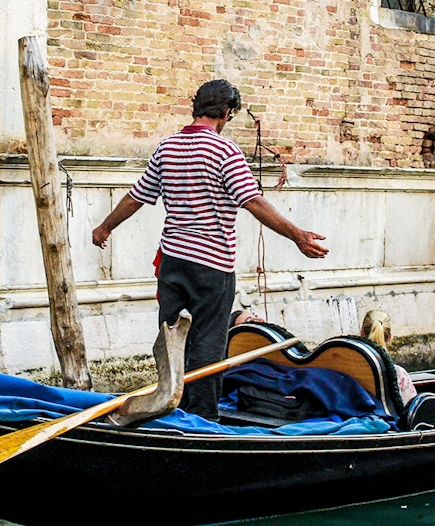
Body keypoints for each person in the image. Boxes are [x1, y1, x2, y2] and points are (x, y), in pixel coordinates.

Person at [92, 79, 328, 421]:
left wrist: (105, 227)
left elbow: (136, 197)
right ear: (227, 113)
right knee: (207, 344)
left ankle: (170, 407)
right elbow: (252, 201)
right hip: (211, 266)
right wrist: (297, 236)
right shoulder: (224, 151)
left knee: (171, 339)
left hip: (172, 262)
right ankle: (201, 419)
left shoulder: (167, 147)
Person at [360, 309, 435, 407]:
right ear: (389, 338)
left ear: (361, 332)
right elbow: (416, 416)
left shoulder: (346, 368)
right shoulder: (397, 374)